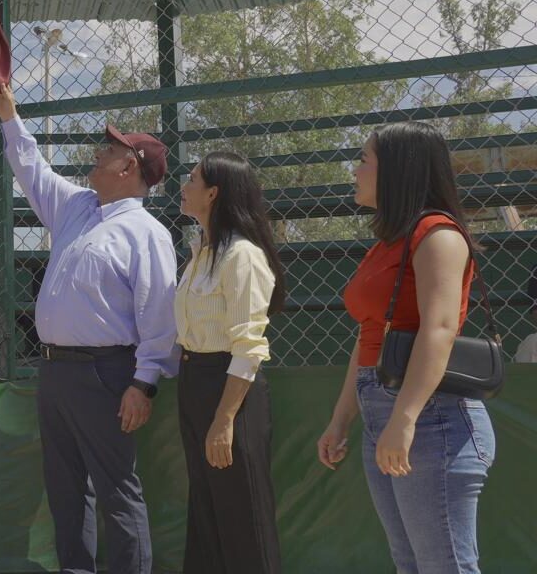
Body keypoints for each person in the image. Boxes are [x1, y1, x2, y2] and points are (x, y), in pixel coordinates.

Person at [0, 81, 178, 574]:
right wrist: (10, 115)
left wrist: (144, 384)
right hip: (56, 370)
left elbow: (160, 316)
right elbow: (32, 168)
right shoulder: (77, 206)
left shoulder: (146, 232)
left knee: (117, 491)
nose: (98, 154)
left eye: (109, 149)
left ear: (128, 166)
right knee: (65, 488)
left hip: (108, 373)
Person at [317, 121, 496, 574]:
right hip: (386, 410)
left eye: (364, 160)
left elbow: (439, 329)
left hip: (432, 418)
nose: (355, 170)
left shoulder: (438, 235)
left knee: (445, 565)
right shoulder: (387, 243)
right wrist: (340, 420)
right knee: (411, 563)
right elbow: (370, 337)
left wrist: (405, 417)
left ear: (397, 169)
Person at [175, 152, 285, 573]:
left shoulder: (242, 256)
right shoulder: (202, 253)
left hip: (230, 392)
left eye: (193, 179)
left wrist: (224, 419)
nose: (184, 187)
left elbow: (249, 345)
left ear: (214, 192)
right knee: (207, 509)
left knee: (243, 512)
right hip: (196, 380)